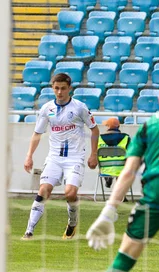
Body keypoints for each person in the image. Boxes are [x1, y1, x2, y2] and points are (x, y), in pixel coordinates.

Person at [77, 75, 159, 272]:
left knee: (123, 259)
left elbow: (129, 172)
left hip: (158, 194)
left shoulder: (150, 124)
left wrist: (108, 211)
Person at [22, 73, 100, 240]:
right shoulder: (47, 109)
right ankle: (28, 232)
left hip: (75, 158)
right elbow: (37, 133)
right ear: (52, 88)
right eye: (56, 88)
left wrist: (93, 154)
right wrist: (29, 155)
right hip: (54, 158)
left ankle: (72, 222)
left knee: (70, 194)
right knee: (43, 189)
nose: (59, 92)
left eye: (63, 88)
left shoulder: (79, 107)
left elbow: (94, 129)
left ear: (69, 88)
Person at [98, 117, 131, 188]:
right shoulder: (126, 138)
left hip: (105, 169)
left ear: (108, 127)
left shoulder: (99, 138)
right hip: (121, 169)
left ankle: (108, 178)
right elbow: (130, 154)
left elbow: (97, 155)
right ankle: (122, 195)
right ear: (118, 126)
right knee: (120, 168)